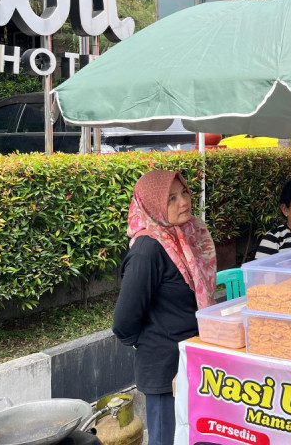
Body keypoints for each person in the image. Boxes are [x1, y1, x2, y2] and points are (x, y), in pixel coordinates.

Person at [112, 170, 217, 445]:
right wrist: (146, 343)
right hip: (164, 369)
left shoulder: (190, 234)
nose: (183, 202)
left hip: (193, 360)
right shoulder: (148, 249)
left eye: (183, 192)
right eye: (171, 198)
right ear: (153, 205)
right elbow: (123, 321)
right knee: (167, 439)